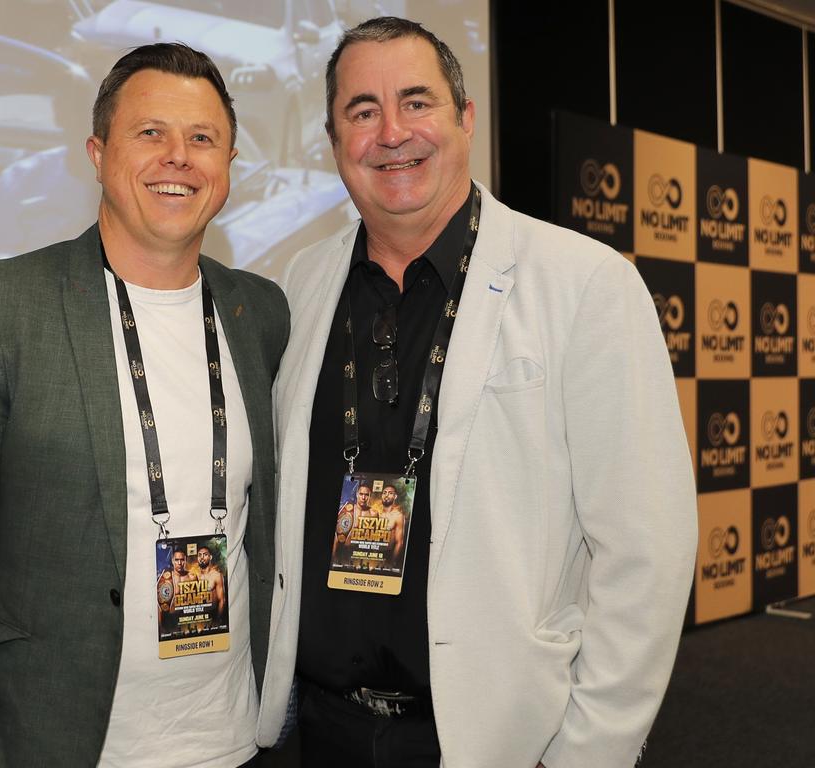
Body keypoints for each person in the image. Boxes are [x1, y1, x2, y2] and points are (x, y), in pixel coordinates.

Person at [258, 17, 696, 768]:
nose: (392, 132)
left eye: (417, 102)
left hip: (496, 741)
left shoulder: (584, 284)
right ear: (334, 143)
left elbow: (646, 550)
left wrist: (592, 751)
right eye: (362, 112)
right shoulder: (299, 286)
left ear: (465, 118)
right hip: (323, 733)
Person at [0, 43, 288, 768]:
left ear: (230, 163)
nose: (178, 157)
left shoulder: (258, 313)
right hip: (56, 743)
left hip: (232, 741)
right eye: (151, 133)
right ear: (97, 150)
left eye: (202, 138)